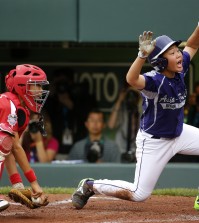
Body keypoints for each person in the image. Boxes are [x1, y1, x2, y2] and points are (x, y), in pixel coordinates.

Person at [71, 22, 199, 210]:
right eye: (172, 53)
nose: (179, 54)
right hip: (155, 141)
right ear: (161, 62)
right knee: (139, 194)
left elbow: (193, 45)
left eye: (176, 50)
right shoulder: (155, 81)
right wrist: (142, 56)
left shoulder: (179, 70)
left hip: (179, 133)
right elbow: (131, 79)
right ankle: (90, 185)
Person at [0, 64, 49, 212]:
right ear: (22, 86)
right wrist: (34, 184)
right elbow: (14, 146)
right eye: (36, 86)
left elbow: (8, 151)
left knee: (5, 141)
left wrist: (17, 184)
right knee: (4, 140)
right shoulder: (9, 105)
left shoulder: (18, 108)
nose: (40, 91)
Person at [107, 83, 141, 162]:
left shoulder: (142, 109)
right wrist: (120, 100)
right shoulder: (120, 108)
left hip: (137, 152)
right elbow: (111, 125)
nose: (132, 96)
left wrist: (140, 95)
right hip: (119, 150)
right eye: (130, 93)